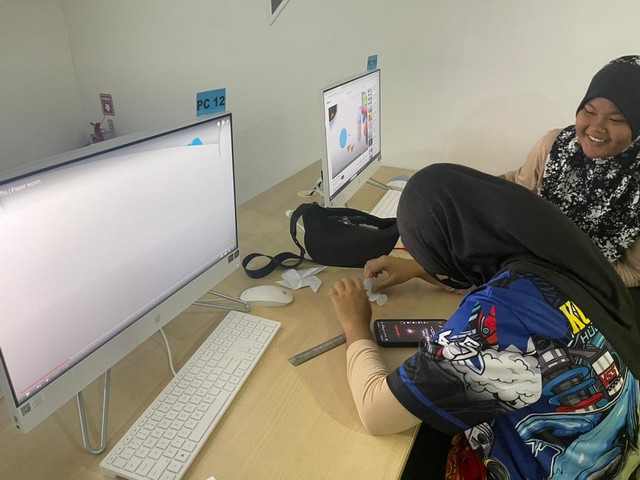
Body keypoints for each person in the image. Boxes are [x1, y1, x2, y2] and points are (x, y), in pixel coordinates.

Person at [329, 163, 640, 479]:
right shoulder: (555, 250)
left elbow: (375, 412)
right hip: (621, 451)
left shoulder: (498, 317)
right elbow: (494, 279)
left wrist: (356, 325)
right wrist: (423, 269)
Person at [503, 55, 640, 287]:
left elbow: (633, 271)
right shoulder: (556, 144)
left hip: (591, 283)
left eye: (616, 119)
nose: (596, 127)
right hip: (525, 255)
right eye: (589, 110)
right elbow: (518, 185)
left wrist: (556, 270)